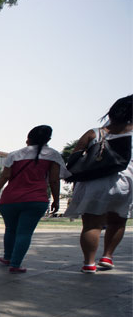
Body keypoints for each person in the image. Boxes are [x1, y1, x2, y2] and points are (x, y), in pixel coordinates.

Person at [63, 95, 132, 274]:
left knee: (92, 224)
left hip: (94, 183)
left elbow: (75, 158)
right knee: (118, 221)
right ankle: (108, 256)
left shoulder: (94, 133)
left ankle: (89, 263)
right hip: (124, 183)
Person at [0, 125, 66, 273]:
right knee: (24, 233)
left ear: (28, 139)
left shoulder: (14, 155)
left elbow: (4, 177)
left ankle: (7, 257)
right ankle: (15, 264)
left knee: (10, 229)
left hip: (10, 199)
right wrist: (55, 199)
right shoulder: (53, 155)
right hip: (36, 199)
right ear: (48, 139)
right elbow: (54, 180)